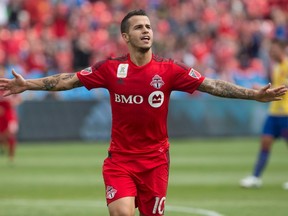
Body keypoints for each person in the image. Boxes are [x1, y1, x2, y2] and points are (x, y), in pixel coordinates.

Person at [0, 9, 287, 216]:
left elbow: (211, 85)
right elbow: (67, 79)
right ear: (125, 36)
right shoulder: (111, 69)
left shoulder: (169, 69)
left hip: (155, 163)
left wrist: (253, 95)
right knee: (121, 213)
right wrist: (28, 85)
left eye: (148, 26)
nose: (146, 30)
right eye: (138, 27)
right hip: (120, 162)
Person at [240, 38, 288, 190]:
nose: (271, 53)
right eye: (270, 50)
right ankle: (256, 177)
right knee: (265, 142)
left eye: (274, 50)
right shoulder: (275, 67)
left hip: (286, 113)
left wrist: (260, 87)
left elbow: (283, 87)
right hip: (274, 112)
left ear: (282, 49)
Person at [0, 69, 22, 163]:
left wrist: (13, 102)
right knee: (2, 136)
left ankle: (11, 156)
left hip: (9, 115)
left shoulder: (9, 85)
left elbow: (19, 98)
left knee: (11, 134)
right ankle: (3, 148)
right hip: (1, 116)